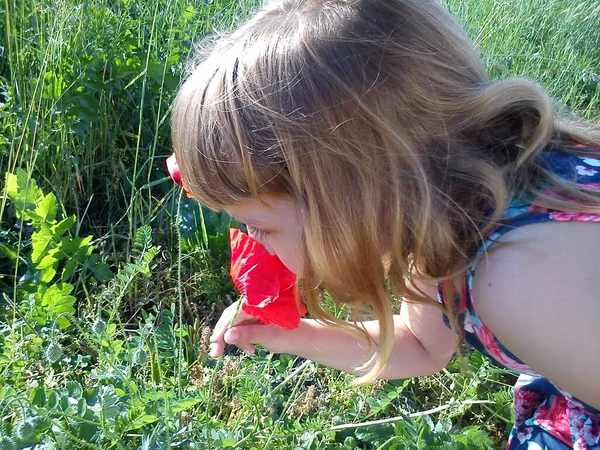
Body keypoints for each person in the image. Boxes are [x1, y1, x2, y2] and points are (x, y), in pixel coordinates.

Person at [170, 0, 600, 447]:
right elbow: (421, 344)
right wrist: (292, 333)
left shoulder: (518, 278)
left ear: (351, 192)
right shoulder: (443, 219)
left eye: (260, 227)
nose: (252, 242)